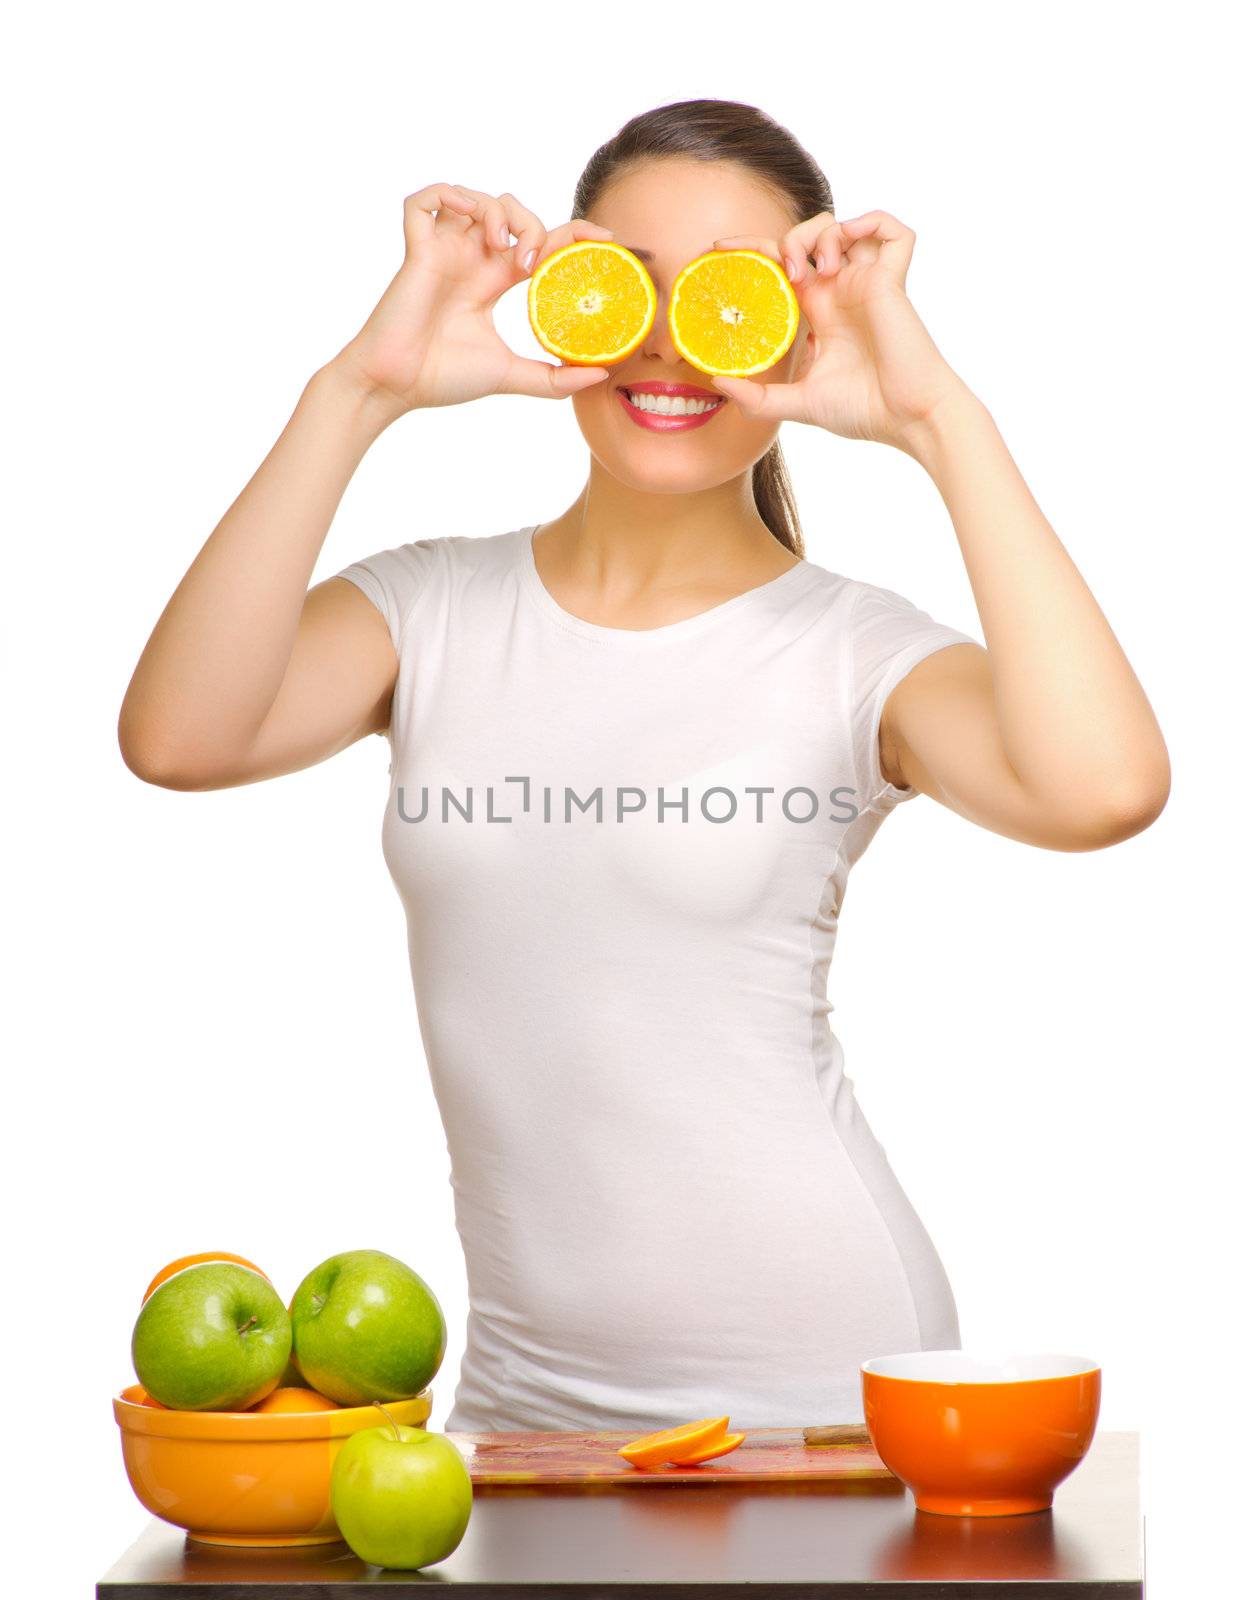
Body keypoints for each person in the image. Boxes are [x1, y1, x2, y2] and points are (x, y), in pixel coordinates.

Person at [117, 99, 1170, 1432]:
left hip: (821, 1381)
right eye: (630, 286)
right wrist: (361, 389)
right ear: (567, 290)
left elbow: (1106, 790)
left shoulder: (855, 655)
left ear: (797, 329)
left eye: (728, 295)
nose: (670, 345)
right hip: (522, 1398)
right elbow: (178, 737)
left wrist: (934, 418)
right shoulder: (428, 612)